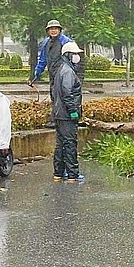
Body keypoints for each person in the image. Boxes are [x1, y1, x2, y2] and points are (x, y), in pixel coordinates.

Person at [51, 40, 84, 183]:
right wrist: (73, 111)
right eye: (75, 54)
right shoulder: (68, 72)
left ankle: (58, 173)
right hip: (66, 115)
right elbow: (67, 92)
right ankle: (72, 175)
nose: (77, 56)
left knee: (61, 144)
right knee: (70, 144)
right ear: (68, 55)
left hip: (59, 114)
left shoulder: (61, 69)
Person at [29, 19, 71, 86]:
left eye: (55, 29)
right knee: (54, 92)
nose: (53, 31)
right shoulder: (45, 43)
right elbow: (42, 59)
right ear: (48, 31)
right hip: (52, 72)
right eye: (51, 29)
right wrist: (38, 72)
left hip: (65, 74)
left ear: (59, 30)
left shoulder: (66, 41)